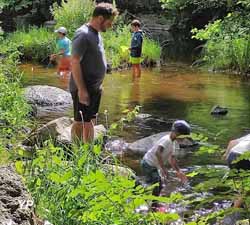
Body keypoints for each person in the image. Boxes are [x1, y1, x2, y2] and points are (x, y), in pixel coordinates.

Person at [70, 3, 118, 143]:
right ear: (100, 18)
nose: (111, 25)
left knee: (90, 120)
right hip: (83, 87)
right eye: (110, 22)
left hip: (95, 87)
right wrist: (82, 90)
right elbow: (74, 62)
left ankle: (88, 154)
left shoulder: (96, 33)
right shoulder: (83, 34)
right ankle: (76, 152)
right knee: (80, 121)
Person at [140, 120, 190, 198]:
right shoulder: (167, 140)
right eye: (182, 136)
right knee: (157, 183)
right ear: (175, 132)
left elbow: (172, 159)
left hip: (153, 165)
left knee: (157, 183)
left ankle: (148, 196)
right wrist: (163, 168)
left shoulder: (173, 143)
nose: (184, 139)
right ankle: (153, 203)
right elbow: (157, 152)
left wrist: (179, 171)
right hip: (148, 163)